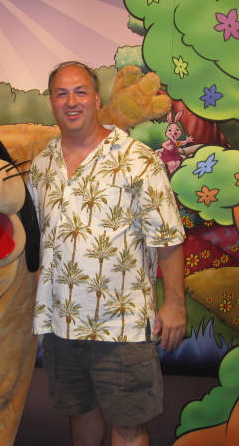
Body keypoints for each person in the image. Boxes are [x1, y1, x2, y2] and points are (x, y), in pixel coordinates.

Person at [27, 61, 186, 446]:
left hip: (122, 324)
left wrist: (175, 305)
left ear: (97, 99)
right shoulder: (42, 165)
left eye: (80, 92)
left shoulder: (137, 159)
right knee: (80, 411)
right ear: (52, 102)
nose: (71, 101)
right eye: (61, 94)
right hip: (62, 322)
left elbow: (167, 237)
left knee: (129, 422)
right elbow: (39, 239)